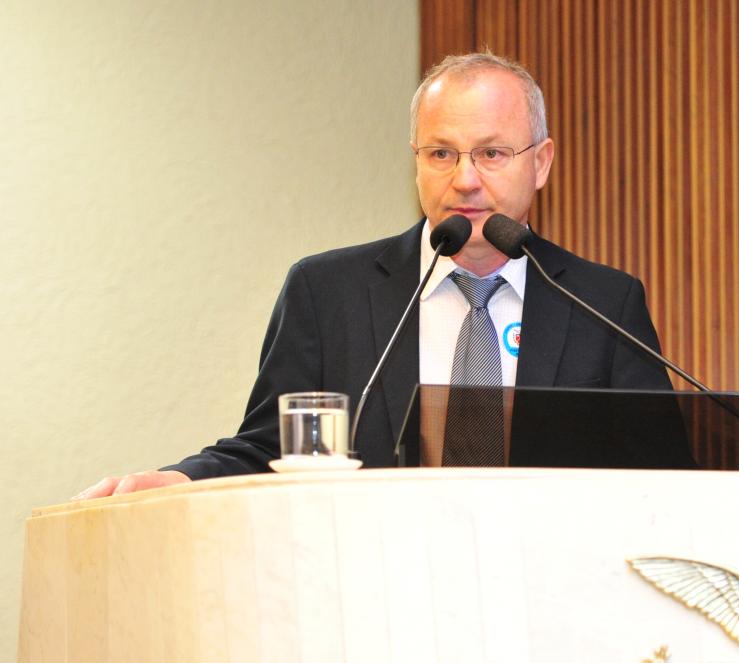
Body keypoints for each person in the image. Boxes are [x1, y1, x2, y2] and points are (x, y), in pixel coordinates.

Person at [74, 52, 674, 500]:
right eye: (441, 153)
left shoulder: (603, 303)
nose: (465, 179)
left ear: (540, 163)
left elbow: (664, 475)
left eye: (491, 153)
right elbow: (271, 449)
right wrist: (180, 479)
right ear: (416, 161)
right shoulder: (326, 293)